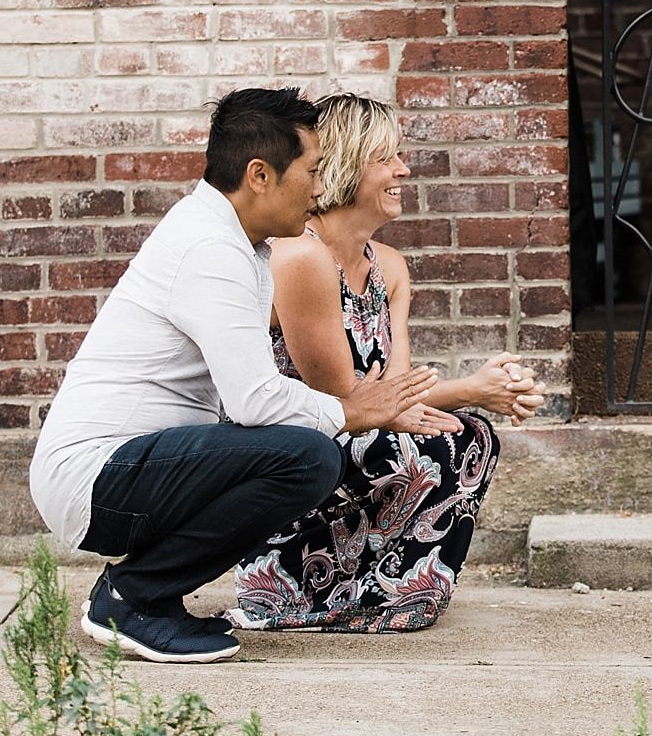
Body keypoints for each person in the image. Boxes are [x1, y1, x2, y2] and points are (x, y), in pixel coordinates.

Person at [28, 88, 439, 663]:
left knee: (302, 449)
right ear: (260, 175)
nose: (321, 189)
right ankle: (132, 599)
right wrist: (349, 410)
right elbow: (254, 401)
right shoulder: (209, 250)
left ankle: (148, 598)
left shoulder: (243, 247)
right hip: (99, 479)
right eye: (313, 171)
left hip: (131, 471)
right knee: (306, 457)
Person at [230, 94, 544, 632]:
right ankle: (298, 592)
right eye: (385, 157)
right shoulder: (301, 258)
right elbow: (349, 401)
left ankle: (387, 589)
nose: (402, 169)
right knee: (404, 445)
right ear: (347, 164)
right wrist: (472, 387)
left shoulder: (389, 267)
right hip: (298, 442)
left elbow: (395, 389)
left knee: (471, 436)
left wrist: (489, 391)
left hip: (361, 421)